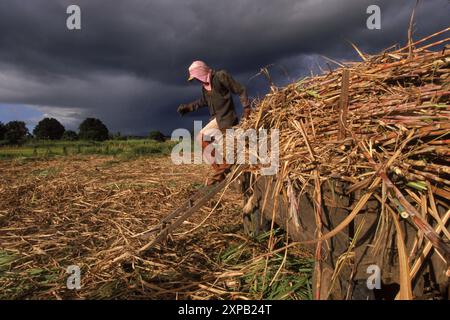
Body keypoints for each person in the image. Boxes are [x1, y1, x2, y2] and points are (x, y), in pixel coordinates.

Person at [178, 60, 251, 185]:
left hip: (227, 117)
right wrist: (188, 107)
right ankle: (219, 171)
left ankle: (223, 167)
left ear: (201, 72)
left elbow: (240, 89)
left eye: (196, 77)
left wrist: (246, 107)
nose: (197, 80)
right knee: (200, 139)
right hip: (216, 119)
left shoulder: (220, 76)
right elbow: (203, 102)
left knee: (202, 138)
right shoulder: (205, 88)